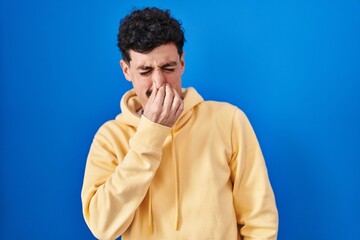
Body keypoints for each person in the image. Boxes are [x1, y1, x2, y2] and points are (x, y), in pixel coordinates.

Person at [81, 7, 278, 240]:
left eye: (168, 68)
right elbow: (102, 227)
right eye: (145, 70)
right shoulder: (110, 137)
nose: (159, 83)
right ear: (126, 70)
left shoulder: (229, 120)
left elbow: (260, 221)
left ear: (182, 63)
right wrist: (151, 134)